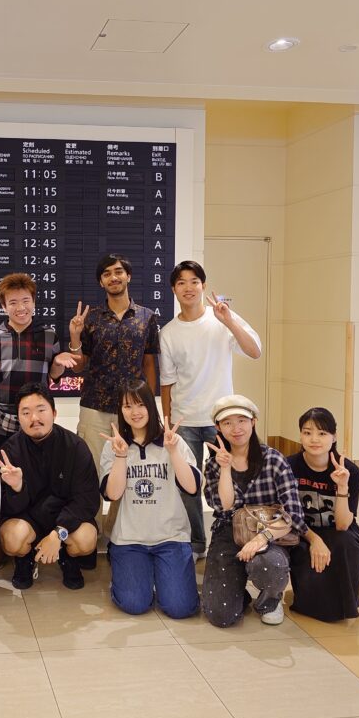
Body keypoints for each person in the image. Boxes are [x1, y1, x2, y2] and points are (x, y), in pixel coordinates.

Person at [158, 260, 262, 558]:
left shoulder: (222, 318)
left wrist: (229, 321)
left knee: (230, 479)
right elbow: (167, 383)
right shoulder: (169, 333)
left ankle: (233, 535)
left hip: (222, 421)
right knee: (187, 483)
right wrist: (168, 422)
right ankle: (196, 542)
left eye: (194, 281)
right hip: (185, 420)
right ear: (173, 289)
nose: (188, 287)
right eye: (181, 282)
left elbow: (255, 351)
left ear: (203, 285)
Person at [0, 272, 78, 570]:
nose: (20, 307)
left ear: (34, 302)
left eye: (25, 301)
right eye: (13, 302)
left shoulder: (48, 336)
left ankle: (38, 533)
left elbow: (54, 376)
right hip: (0, 421)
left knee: (39, 478)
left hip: (36, 423)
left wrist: (58, 365)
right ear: (3, 306)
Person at [70, 254, 160, 532]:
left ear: (128, 276)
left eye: (118, 271)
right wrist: (75, 335)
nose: (114, 277)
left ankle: (118, 534)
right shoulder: (91, 318)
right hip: (95, 406)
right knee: (91, 472)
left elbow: (149, 363)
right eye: (107, 273)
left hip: (132, 411)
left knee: (129, 472)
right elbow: (79, 366)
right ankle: (91, 532)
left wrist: (150, 406)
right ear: (101, 281)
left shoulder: (147, 317)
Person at [200, 395, 307, 627]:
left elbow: (293, 516)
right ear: (218, 427)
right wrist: (225, 469)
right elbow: (224, 506)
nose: (236, 428)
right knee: (221, 615)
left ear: (253, 422)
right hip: (228, 532)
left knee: (270, 564)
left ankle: (270, 600)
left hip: (269, 532)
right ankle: (238, 588)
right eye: (227, 423)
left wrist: (261, 539)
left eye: (242, 420)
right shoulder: (215, 464)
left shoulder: (274, 460)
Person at [101, 380, 201, 618]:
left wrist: (173, 451)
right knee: (135, 604)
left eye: (140, 405)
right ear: (120, 410)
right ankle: (133, 576)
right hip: (129, 540)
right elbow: (112, 494)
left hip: (171, 538)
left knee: (180, 608)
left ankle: (160, 575)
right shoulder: (114, 446)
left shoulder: (172, 441)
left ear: (150, 405)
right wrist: (121, 456)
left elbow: (192, 488)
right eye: (127, 406)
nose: (134, 412)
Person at [0, 383, 100, 590]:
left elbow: (87, 499)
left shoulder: (75, 446)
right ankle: (25, 559)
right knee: (12, 539)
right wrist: (17, 488)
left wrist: (58, 533)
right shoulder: (10, 451)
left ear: (54, 413)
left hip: (66, 520)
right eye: (26, 413)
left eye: (41, 410)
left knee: (86, 539)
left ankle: (68, 558)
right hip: (29, 519)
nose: (34, 418)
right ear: (18, 417)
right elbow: (4, 508)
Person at [287, 407, 359, 622]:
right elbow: (288, 516)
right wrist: (314, 540)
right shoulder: (289, 466)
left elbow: (343, 524)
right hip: (302, 531)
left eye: (322, 433)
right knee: (305, 556)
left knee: (345, 543)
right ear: (300, 435)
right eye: (307, 432)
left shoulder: (350, 471)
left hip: (337, 531)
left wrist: (342, 486)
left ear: (334, 436)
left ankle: (346, 601)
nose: (314, 439)